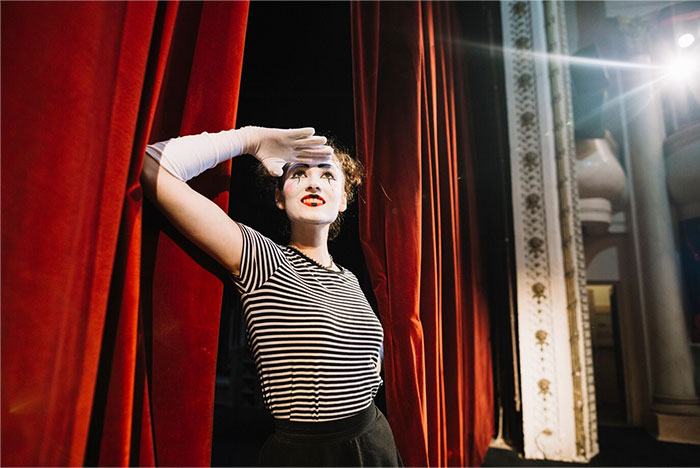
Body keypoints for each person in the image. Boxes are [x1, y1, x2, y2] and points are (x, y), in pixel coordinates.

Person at [140, 126, 402, 467]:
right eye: (300, 172)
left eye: (327, 175)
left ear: (342, 201)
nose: (314, 182)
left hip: (375, 438)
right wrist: (250, 139)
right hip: (309, 454)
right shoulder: (263, 259)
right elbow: (150, 165)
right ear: (280, 197)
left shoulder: (349, 278)